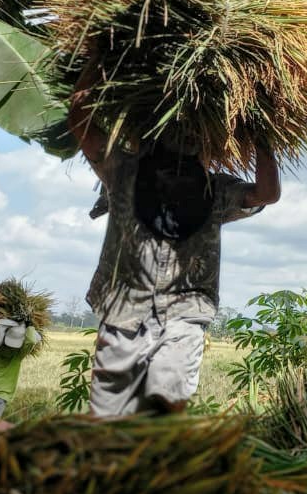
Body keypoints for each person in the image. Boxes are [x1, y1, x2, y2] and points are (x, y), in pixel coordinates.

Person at [68, 45, 280, 416]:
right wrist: (101, 55)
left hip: (185, 312)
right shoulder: (124, 173)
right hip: (123, 311)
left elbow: (267, 193)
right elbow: (80, 118)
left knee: (165, 411)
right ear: (153, 135)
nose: (186, 140)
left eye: (194, 136)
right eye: (177, 132)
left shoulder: (214, 191)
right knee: (109, 417)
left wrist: (262, 132)